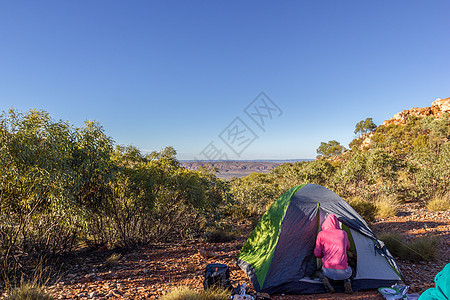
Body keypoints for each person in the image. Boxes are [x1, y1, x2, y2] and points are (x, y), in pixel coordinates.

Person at [314, 213, 353, 294]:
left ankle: (325, 279)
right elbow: (348, 247)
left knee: (319, 272)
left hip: (328, 270)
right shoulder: (343, 233)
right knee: (351, 270)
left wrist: (324, 255)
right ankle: (347, 281)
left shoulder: (321, 234)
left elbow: (317, 254)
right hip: (344, 272)